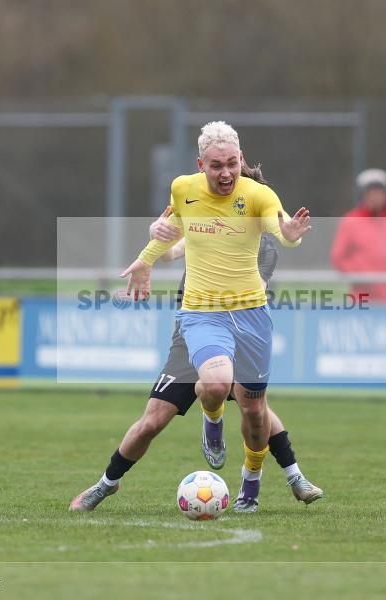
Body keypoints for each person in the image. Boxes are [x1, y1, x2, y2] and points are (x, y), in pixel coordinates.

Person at [70, 164, 323, 514]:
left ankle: (286, 478)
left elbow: (261, 281)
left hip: (235, 328)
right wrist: (157, 234)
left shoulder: (263, 245)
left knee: (253, 406)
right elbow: (175, 249)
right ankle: (105, 485)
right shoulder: (209, 219)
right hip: (193, 332)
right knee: (153, 420)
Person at [330, 168, 386, 303]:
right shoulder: (351, 221)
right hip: (362, 299)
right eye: (370, 193)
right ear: (364, 195)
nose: (375, 196)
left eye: (379, 192)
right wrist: (361, 277)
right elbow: (339, 257)